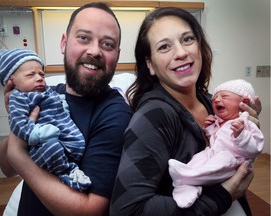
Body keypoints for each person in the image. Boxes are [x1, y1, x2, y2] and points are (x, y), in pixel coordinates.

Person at [110, 7, 262, 216]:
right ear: (150, 64)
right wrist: (222, 196)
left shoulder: (210, 102)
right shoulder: (153, 118)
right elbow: (127, 210)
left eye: (188, 39)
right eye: (164, 47)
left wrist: (249, 130)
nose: (181, 53)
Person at [0, 2, 133, 215]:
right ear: (64, 42)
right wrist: (16, 124)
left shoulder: (115, 115)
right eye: (84, 38)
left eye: (107, 44)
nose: (95, 51)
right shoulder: (45, 95)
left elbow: (90, 210)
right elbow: (6, 169)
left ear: (116, 55)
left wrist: (18, 154)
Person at [0, 48, 92, 192]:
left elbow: (58, 102)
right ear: (12, 81)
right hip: (42, 144)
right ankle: (67, 172)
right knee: (52, 148)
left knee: (75, 142)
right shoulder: (18, 98)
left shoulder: (47, 90)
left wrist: (62, 104)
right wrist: (35, 133)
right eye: (31, 74)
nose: (39, 78)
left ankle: (69, 163)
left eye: (41, 74)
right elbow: (18, 124)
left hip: (66, 138)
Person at [168, 79, 264, 208]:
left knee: (216, 164)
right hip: (213, 153)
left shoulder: (246, 123)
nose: (217, 100)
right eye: (214, 99)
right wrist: (209, 128)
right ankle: (186, 185)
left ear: (244, 102)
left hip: (232, 161)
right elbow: (216, 138)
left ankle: (188, 178)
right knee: (198, 159)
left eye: (224, 96)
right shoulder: (220, 121)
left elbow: (256, 148)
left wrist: (241, 135)